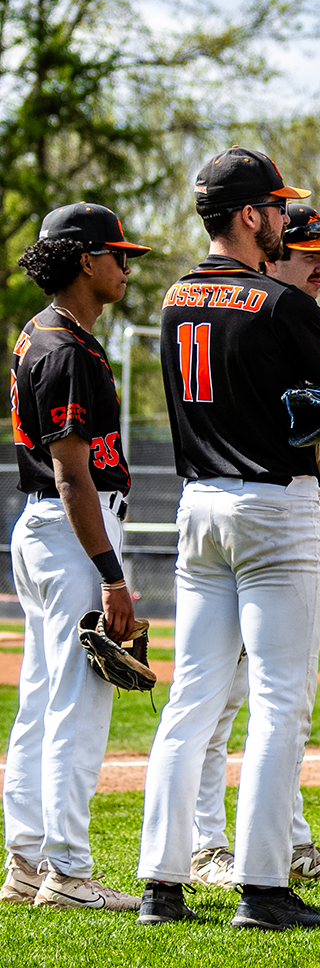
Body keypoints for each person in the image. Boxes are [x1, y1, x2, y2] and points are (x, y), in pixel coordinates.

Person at [137, 146, 320, 930]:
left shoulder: (174, 297)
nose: (281, 218)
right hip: (273, 506)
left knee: (191, 700)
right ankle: (264, 888)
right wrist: (310, 409)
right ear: (247, 214)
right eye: (274, 206)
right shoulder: (281, 303)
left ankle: (161, 884)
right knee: (279, 701)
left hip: (198, 505)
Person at [190, 202, 320, 888]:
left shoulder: (286, 317)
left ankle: (286, 839)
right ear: (270, 248)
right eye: (308, 253)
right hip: (244, 516)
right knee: (225, 696)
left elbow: (304, 446)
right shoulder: (260, 315)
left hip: (272, 511)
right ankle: (206, 843)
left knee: (279, 700)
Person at [1, 204, 148, 911]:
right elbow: (71, 473)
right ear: (86, 260)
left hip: (46, 532)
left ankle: (27, 862)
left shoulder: (44, 331)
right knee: (77, 707)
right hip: (71, 534)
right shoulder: (64, 349)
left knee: (40, 701)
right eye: (119, 255)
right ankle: (66, 872)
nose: (126, 268)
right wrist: (112, 575)